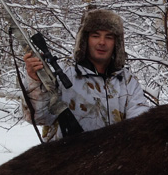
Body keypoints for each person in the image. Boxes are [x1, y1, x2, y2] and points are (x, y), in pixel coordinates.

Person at [22, 8, 150, 140]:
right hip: (64, 157)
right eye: (95, 36)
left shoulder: (126, 81)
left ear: (116, 43)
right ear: (85, 40)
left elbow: (140, 123)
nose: (102, 42)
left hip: (113, 157)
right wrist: (35, 80)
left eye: (109, 37)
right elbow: (38, 117)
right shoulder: (62, 74)